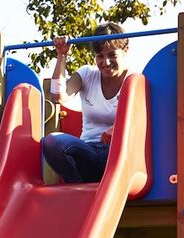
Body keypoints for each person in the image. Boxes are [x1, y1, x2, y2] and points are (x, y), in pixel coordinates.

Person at [43, 22, 132, 183]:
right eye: (100, 56)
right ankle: (77, 188)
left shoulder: (133, 80)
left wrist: (117, 129)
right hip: (88, 152)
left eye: (112, 55)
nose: (105, 62)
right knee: (51, 142)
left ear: (125, 51)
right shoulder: (87, 74)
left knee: (114, 152)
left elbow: (140, 120)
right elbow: (58, 95)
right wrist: (61, 56)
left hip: (116, 154)